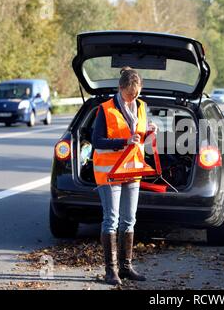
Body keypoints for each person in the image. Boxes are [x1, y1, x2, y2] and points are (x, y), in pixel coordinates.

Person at [92, 66, 157, 285]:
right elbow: (97, 141)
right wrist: (123, 142)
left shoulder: (141, 107)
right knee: (111, 220)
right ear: (120, 89)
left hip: (133, 171)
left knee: (129, 220)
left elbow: (141, 139)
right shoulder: (105, 109)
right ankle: (111, 271)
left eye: (136, 94)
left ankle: (126, 267)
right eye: (129, 95)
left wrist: (150, 132)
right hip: (110, 174)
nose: (133, 98)